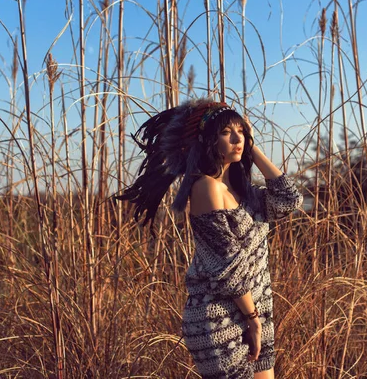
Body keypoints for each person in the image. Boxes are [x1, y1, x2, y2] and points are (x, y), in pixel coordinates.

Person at [116, 98, 303, 378]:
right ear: (209, 141)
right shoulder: (205, 188)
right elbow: (227, 266)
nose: (238, 139)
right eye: (227, 132)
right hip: (218, 316)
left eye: (242, 132)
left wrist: (253, 147)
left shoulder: (248, 193)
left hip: (258, 311)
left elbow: (289, 200)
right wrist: (252, 320)